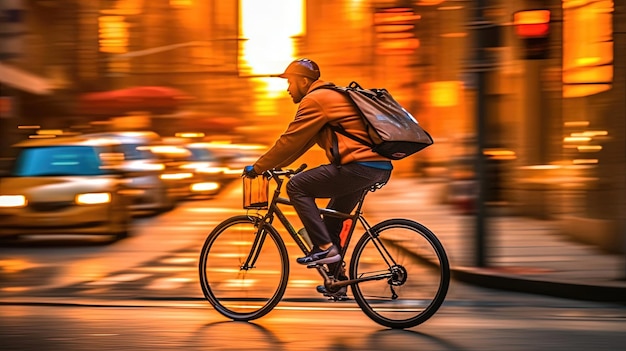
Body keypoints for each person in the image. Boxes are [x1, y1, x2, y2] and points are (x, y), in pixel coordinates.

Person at [243, 58, 393, 270]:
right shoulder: (329, 97)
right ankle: (338, 281)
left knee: (296, 186)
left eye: (290, 82)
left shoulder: (316, 100)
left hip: (359, 166)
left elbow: (289, 140)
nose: (288, 89)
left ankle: (324, 248)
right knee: (331, 223)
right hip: (374, 167)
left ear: (304, 82)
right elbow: (300, 145)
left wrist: (258, 167)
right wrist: (272, 166)